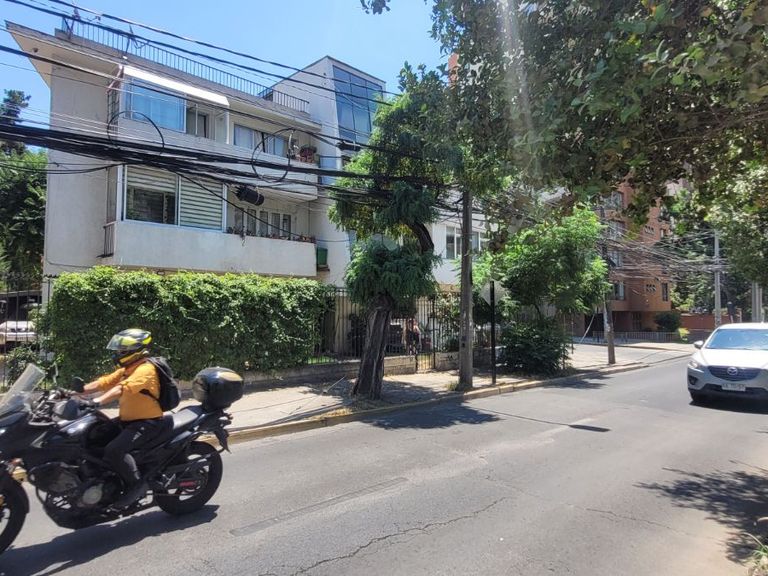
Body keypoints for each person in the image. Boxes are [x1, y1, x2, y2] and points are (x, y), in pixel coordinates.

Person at [81, 328, 163, 509]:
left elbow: (122, 388)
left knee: (114, 451)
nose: (118, 354)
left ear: (135, 351)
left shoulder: (146, 369)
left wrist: (97, 401)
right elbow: (104, 382)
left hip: (147, 423)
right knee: (94, 436)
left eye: (122, 351)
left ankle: (136, 486)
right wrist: (77, 391)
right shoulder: (128, 369)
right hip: (127, 420)